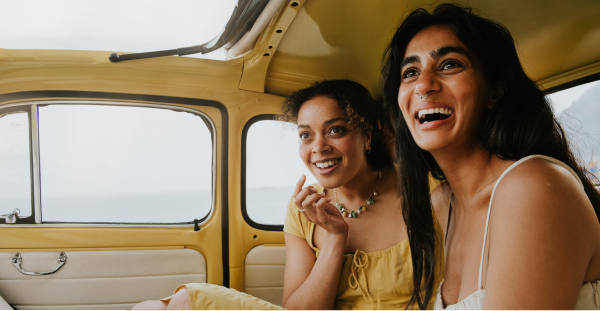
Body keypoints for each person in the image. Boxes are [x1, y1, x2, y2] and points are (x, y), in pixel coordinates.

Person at [132, 79, 444, 310]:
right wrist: (335, 239)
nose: (318, 147)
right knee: (161, 306)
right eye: (306, 135)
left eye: (335, 130)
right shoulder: (303, 208)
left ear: (367, 134)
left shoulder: (429, 190)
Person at [382, 3, 600, 309]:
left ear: (494, 90)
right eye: (410, 72)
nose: (423, 85)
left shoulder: (532, 187)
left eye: (449, 65)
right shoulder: (444, 203)